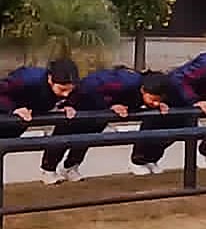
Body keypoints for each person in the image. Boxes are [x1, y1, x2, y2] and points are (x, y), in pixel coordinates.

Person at [130, 50, 206, 175]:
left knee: (177, 132)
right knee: (156, 124)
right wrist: (194, 100)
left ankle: (151, 160)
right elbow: (180, 78)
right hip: (175, 94)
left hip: (193, 101)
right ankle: (138, 161)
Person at [41, 68, 171, 183]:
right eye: (153, 100)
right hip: (82, 102)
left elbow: (136, 102)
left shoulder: (149, 88)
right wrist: (110, 104)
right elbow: (90, 86)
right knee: (64, 134)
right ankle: (48, 169)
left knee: (87, 138)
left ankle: (70, 167)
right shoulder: (125, 82)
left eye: (158, 100)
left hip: (101, 113)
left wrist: (159, 104)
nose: (155, 103)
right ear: (143, 90)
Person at [0, 59, 79, 184]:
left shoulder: (69, 88)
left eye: (70, 90)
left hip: (27, 116)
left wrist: (67, 104)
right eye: (62, 90)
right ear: (49, 79)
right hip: (8, 113)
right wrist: (13, 109)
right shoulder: (27, 79)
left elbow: (70, 96)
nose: (66, 94)